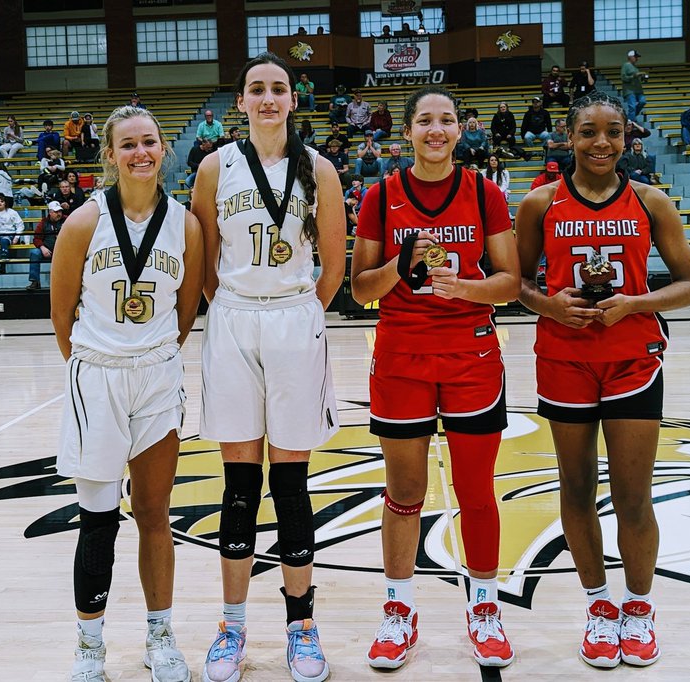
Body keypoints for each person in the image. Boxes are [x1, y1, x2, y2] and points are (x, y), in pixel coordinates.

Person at [513, 91, 690, 671]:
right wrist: (549, 304)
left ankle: (639, 608)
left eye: (613, 132)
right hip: (564, 359)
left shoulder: (651, 200)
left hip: (632, 358)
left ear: (627, 138)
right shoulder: (539, 203)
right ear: (568, 137)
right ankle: (599, 606)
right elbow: (516, 284)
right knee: (575, 489)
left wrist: (635, 304)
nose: (601, 142)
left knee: (632, 496)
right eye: (589, 132)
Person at [350, 84, 520, 672]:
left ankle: (485, 607)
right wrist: (403, 265)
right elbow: (360, 290)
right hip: (402, 356)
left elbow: (510, 283)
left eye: (446, 120)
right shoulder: (380, 196)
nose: (436, 130)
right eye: (425, 120)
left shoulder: (484, 192)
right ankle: (399, 609)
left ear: (459, 129)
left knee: (475, 491)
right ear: (407, 132)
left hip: (471, 355)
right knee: (403, 492)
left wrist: (464, 288)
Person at [189, 52, 345, 682]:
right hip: (233, 319)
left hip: (293, 321)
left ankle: (301, 626)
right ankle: (232, 626)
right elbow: (204, 260)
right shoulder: (215, 166)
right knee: (238, 484)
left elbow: (332, 266)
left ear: (293, 99)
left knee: (290, 483)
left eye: (279, 88)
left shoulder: (319, 168)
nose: (268, 98)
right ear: (242, 102)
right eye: (257, 89)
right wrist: (232, 308)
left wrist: (298, 314)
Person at [49, 104, 203, 682]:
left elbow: (186, 311)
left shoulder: (186, 225)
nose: (141, 152)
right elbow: (61, 316)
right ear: (110, 155)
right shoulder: (83, 223)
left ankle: (160, 637)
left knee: (155, 513)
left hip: (157, 375)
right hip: (98, 376)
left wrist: (151, 354)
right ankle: (89, 645)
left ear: (164, 149)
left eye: (150, 142)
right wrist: (101, 362)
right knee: (98, 519)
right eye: (129, 144)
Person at [27, 200, 65, 290]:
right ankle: (35, 281)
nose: (59, 214)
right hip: (48, 251)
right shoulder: (43, 223)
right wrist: (42, 247)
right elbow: (36, 239)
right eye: (56, 212)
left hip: (63, 250)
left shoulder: (67, 220)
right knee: (35, 253)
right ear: (50, 212)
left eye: (60, 211)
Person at [0, 192, 25, 274]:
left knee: (4, 241)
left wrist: (16, 237)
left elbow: (20, 225)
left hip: (9, 233)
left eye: (2, 201)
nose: (0, 203)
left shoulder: (12, 212)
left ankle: (3, 266)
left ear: (5, 202)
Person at [620, 51, 647, 120]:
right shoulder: (626, 65)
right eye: (635, 57)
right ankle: (631, 121)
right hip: (629, 90)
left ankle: (631, 118)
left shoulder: (635, 67)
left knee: (642, 101)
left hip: (638, 90)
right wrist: (634, 76)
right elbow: (623, 78)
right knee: (632, 107)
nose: (637, 59)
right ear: (630, 57)